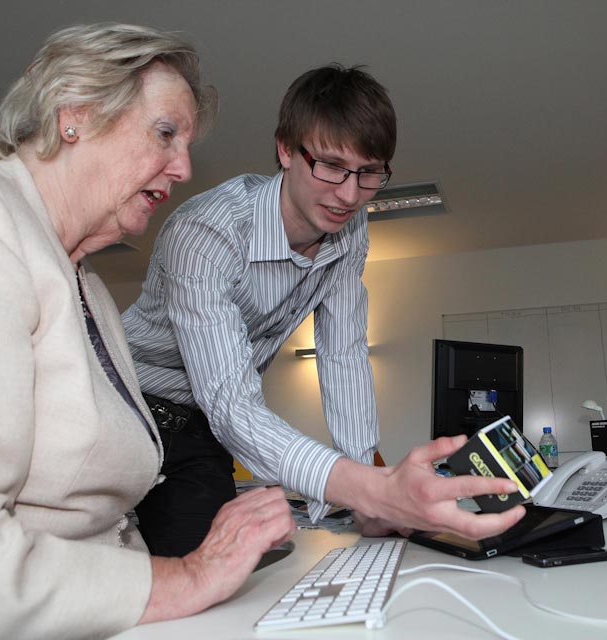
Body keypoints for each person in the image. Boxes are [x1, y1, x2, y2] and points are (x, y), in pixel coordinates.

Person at [0, 23, 296, 640]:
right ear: (73, 115)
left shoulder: (96, 294)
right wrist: (189, 576)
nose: (185, 167)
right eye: (166, 133)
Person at [124, 64, 525, 557]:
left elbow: (343, 354)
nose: (350, 195)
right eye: (332, 167)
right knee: (182, 569)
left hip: (203, 427)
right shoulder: (207, 233)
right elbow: (230, 401)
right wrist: (366, 487)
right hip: (126, 406)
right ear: (286, 150)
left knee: (225, 563)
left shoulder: (351, 231)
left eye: (369, 172)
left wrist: (371, 498)